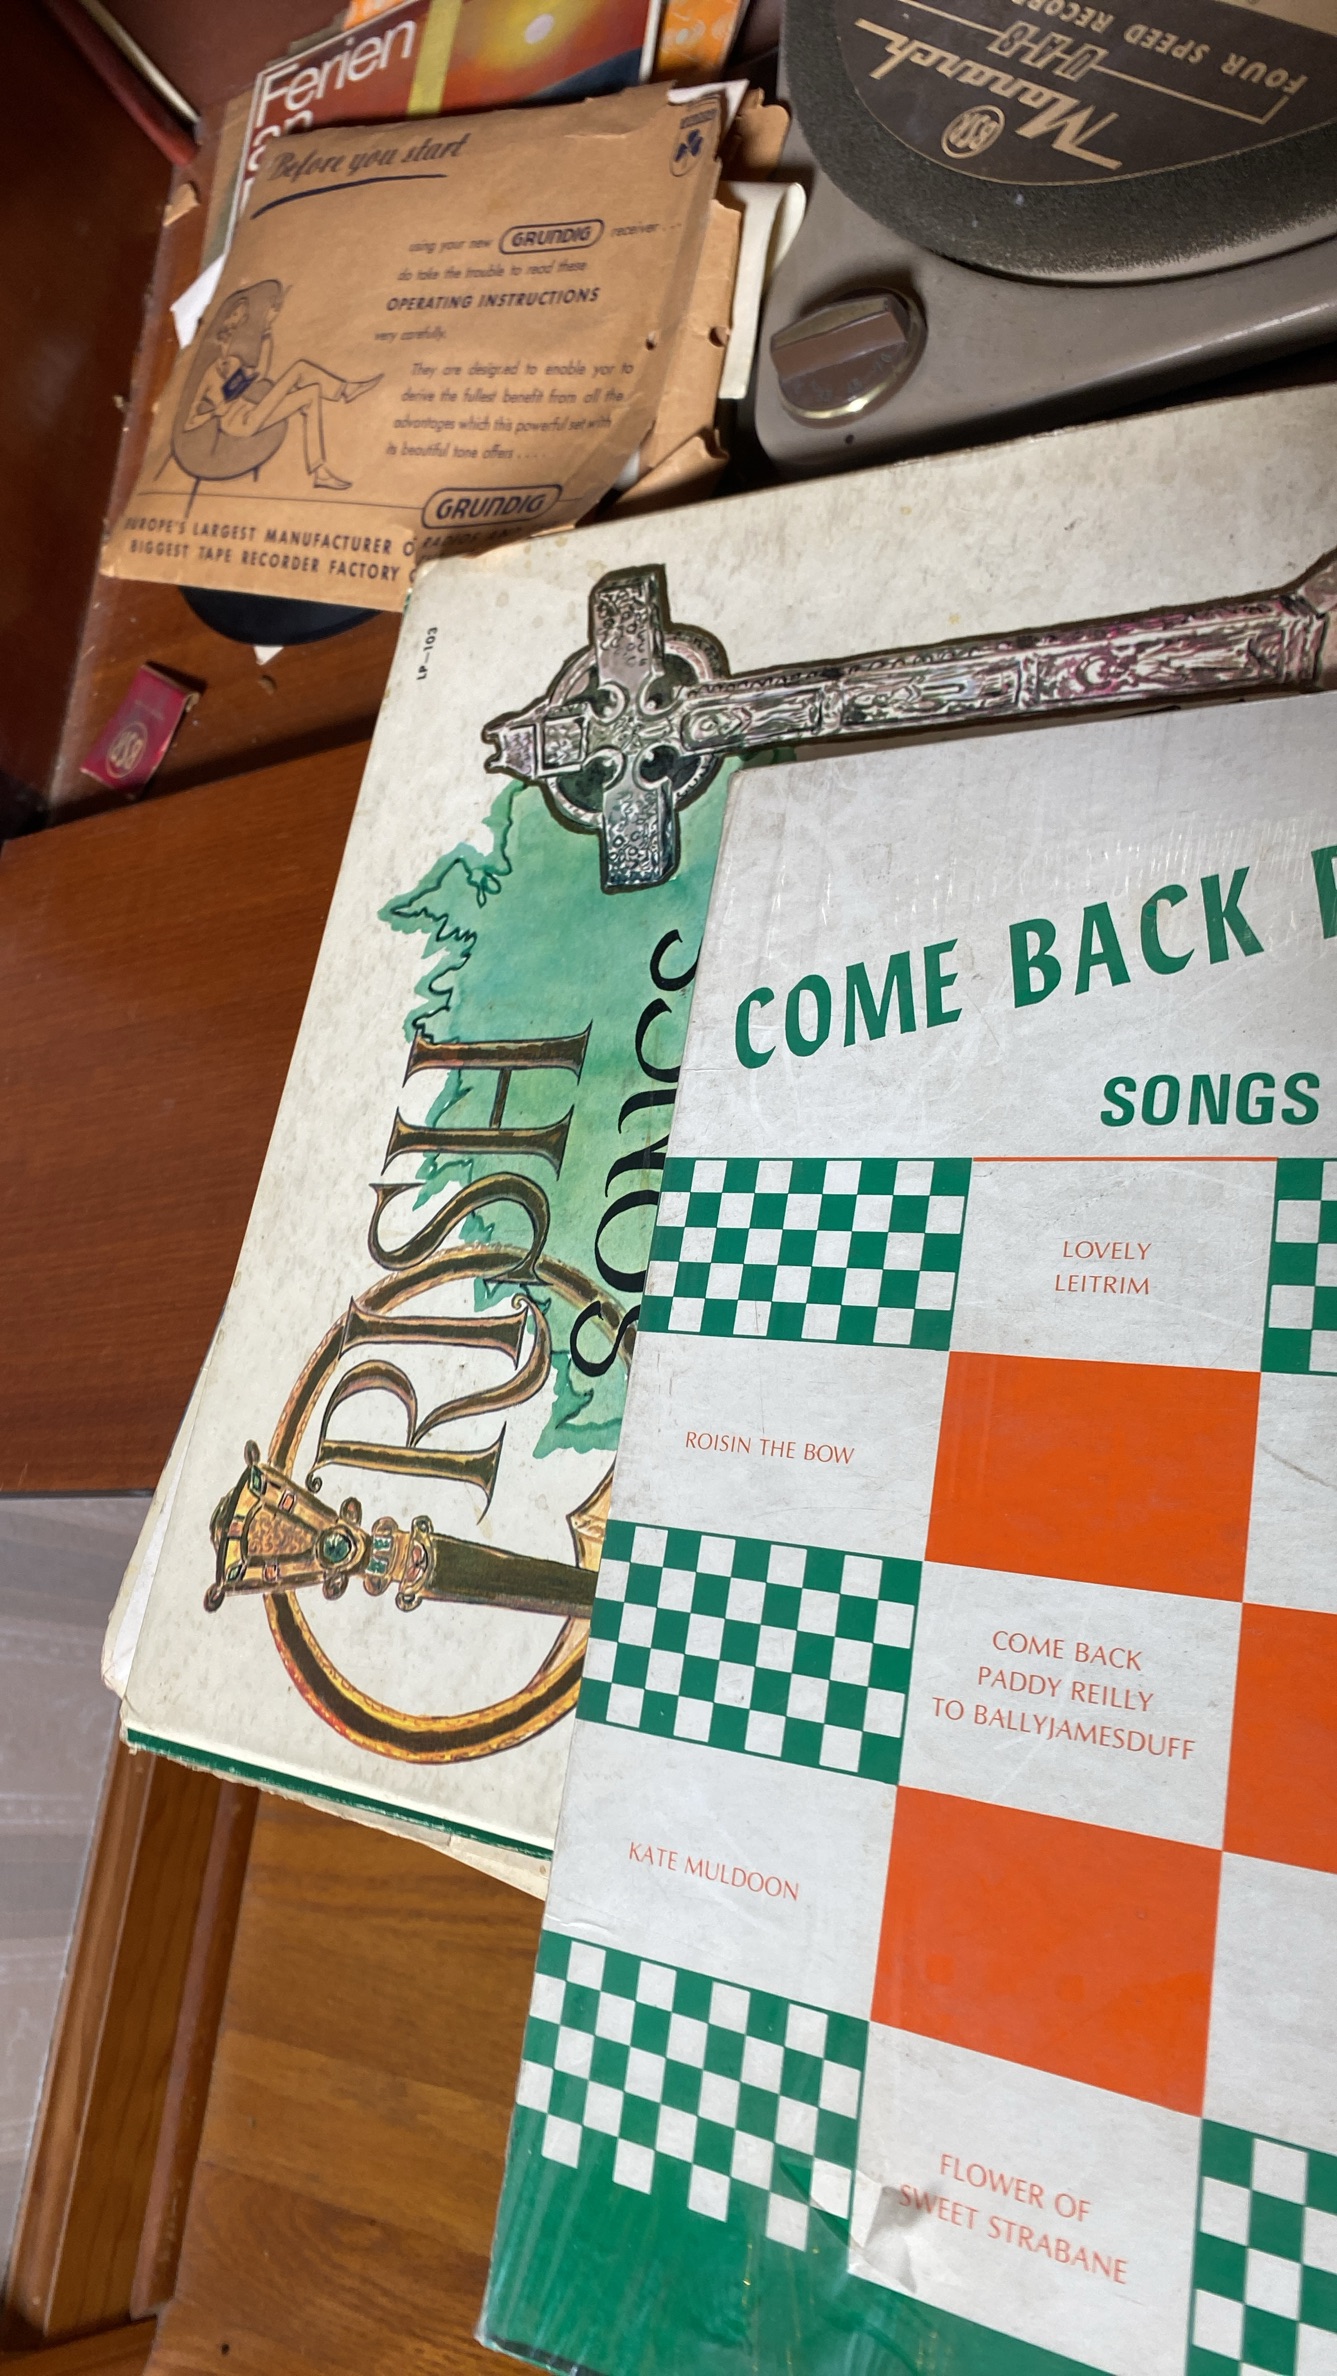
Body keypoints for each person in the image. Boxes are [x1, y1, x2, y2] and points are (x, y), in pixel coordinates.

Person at [184, 283, 379, 490]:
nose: (236, 325)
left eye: (240, 317)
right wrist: (214, 413)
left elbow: (261, 371)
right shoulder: (209, 375)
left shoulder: (234, 361)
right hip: (237, 423)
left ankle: (320, 473)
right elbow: (189, 422)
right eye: (235, 317)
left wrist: (267, 329)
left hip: (251, 410)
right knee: (300, 369)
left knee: (311, 394)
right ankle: (346, 390)